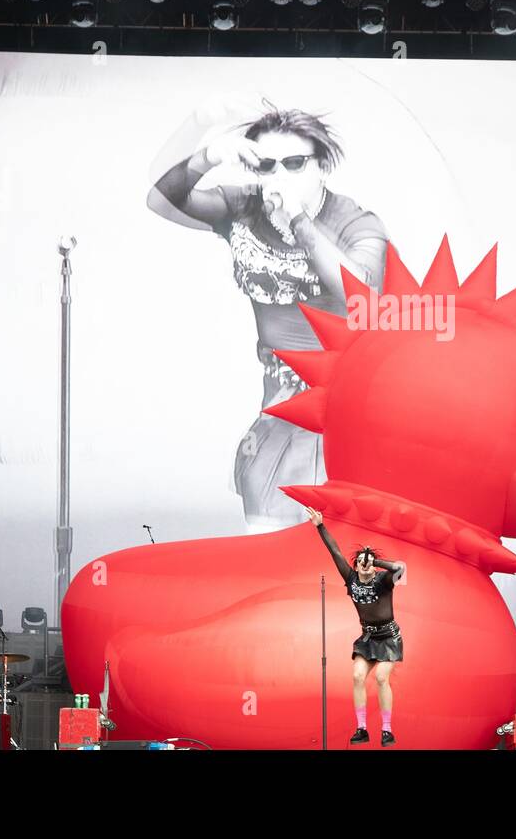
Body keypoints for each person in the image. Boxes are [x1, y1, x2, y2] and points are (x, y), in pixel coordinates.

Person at [149, 103, 388, 532]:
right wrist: (208, 150)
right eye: (267, 165)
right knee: (269, 547)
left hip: (346, 415)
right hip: (278, 410)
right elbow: (161, 201)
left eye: (295, 163)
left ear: (321, 166)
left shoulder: (354, 221)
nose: (280, 175)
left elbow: (364, 298)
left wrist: (297, 218)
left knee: (339, 560)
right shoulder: (243, 207)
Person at [309, 506, 406, 746]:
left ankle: (386, 729)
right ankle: (361, 728)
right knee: (357, 676)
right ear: (357, 565)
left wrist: (377, 560)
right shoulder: (351, 579)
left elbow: (401, 568)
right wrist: (320, 526)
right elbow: (335, 552)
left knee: (382, 678)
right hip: (368, 637)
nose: (364, 565)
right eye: (361, 562)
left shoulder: (384, 580)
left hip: (389, 637)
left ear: (373, 566)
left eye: (368, 562)